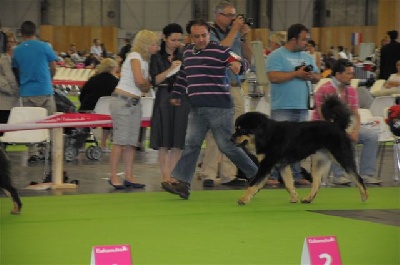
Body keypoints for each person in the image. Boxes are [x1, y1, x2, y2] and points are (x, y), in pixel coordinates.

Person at [161, 19, 258, 200]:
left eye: (204, 35)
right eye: (196, 36)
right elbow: (184, 75)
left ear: (208, 34)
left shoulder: (220, 51)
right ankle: (182, 183)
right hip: (197, 108)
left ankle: (255, 174)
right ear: (190, 37)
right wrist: (176, 94)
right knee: (191, 145)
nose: (201, 39)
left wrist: (239, 66)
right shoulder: (187, 52)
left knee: (226, 146)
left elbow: (244, 63)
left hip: (219, 108)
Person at [199, 0, 253, 188]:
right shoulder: (210, 33)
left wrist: (245, 36)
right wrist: (235, 30)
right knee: (215, 131)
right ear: (218, 16)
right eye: (229, 15)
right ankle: (208, 173)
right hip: (217, 86)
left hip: (235, 85)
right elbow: (219, 52)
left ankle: (229, 174)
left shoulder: (236, 33)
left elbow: (249, 58)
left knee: (234, 131)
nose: (233, 19)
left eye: (234, 15)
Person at [265, 23, 321, 185]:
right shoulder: (276, 55)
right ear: (294, 39)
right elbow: (273, 77)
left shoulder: (308, 56)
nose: (306, 43)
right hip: (282, 106)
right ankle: (273, 175)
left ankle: (296, 174)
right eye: (304, 39)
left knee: (300, 143)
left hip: (302, 106)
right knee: (278, 142)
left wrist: (309, 76)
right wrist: (296, 74)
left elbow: (318, 76)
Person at [312, 59, 381, 184]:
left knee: (371, 136)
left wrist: (356, 130)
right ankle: (340, 175)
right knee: (340, 138)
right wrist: (344, 132)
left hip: (345, 127)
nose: (352, 76)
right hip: (323, 129)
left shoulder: (351, 90)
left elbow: (356, 114)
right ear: (338, 74)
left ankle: (366, 174)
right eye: (349, 73)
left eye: (352, 73)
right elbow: (323, 117)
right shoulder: (323, 90)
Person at [108, 30, 159, 190]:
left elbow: (143, 84)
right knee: (119, 141)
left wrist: (146, 83)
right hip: (123, 102)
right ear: (146, 44)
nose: (156, 47)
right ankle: (114, 175)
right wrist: (148, 83)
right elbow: (140, 82)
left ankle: (129, 175)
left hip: (135, 102)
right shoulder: (135, 57)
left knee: (131, 142)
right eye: (154, 44)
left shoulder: (144, 60)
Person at [12, 21, 58, 163]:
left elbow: (16, 70)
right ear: (35, 31)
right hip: (44, 89)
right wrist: (48, 79)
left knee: (30, 123)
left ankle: (33, 152)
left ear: (21, 33)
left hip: (27, 91)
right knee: (50, 121)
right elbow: (53, 66)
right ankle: (49, 150)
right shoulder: (44, 46)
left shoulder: (17, 50)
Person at [149, 23, 190, 183]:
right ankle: (165, 175)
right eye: (173, 39)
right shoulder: (156, 57)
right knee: (164, 139)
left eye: (179, 40)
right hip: (164, 96)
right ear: (164, 38)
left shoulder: (185, 55)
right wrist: (170, 70)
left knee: (178, 139)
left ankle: (174, 174)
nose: (177, 43)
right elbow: (154, 80)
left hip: (182, 97)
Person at [79, 58, 119, 151]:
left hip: (88, 109)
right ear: (112, 69)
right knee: (109, 113)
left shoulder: (93, 79)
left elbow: (82, 95)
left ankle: (81, 144)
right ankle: (104, 144)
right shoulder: (116, 82)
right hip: (106, 113)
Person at [0, 31, 18, 137]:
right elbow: (8, 79)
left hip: (14, 101)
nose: (11, 44)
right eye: (9, 41)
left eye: (13, 41)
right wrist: (12, 89)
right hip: (4, 101)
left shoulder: (16, 57)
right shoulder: (3, 59)